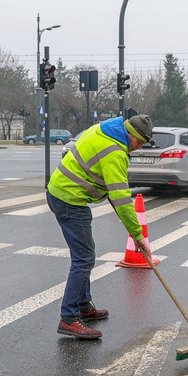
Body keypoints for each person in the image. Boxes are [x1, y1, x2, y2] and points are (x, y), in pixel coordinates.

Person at [47, 114, 154, 340]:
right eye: (139, 142)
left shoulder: (105, 129)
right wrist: (138, 235)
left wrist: (134, 233)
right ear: (131, 134)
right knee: (84, 258)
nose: (139, 147)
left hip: (62, 192)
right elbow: (121, 197)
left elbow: (113, 194)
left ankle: (84, 306)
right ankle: (69, 317)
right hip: (69, 198)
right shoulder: (116, 153)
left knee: (85, 254)